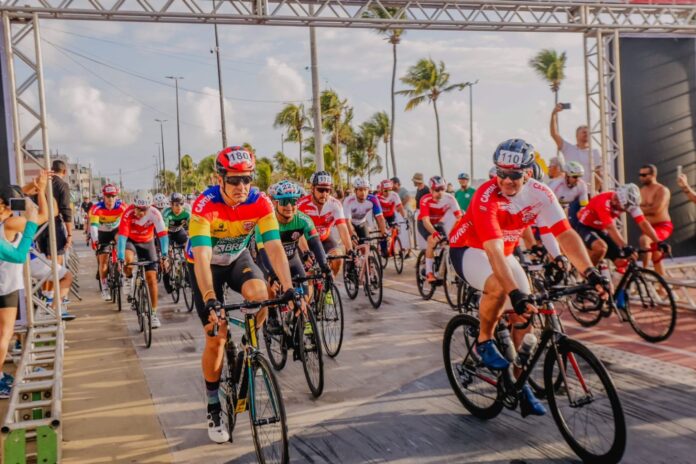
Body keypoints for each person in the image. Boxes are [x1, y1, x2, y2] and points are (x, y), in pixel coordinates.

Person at [448, 138, 610, 417]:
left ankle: (517, 385)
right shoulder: (486, 196)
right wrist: (515, 293)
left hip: (503, 252)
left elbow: (565, 234)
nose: (506, 180)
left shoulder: (540, 193)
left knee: (525, 321)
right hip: (470, 250)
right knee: (501, 287)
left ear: (528, 172)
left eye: (514, 175)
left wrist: (591, 272)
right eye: (501, 173)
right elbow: (493, 252)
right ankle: (484, 340)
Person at [186, 146, 295, 444]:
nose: (241, 186)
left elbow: (274, 247)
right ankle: (213, 406)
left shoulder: (260, 202)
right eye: (234, 180)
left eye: (246, 179)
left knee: (261, 294)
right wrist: (210, 298)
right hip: (205, 265)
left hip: (236, 259)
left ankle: (249, 345)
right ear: (219, 179)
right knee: (217, 336)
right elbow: (202, 256)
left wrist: (288, 287)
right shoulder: (204, 205)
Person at [0, 173, 49, 398]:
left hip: (5, 283)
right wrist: (41, 193)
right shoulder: (10, 223)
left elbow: (13, 194)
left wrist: (33, 186)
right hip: (5, 285)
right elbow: (45, 216)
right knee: (5, 333)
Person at [256, 181, 330, 311]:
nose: (289, 206)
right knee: (271, 286)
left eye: (293, 201)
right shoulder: (265, 221)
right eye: (284, 202)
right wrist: (272, 275)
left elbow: (315, 243)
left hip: (292, 258)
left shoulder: (303, 219)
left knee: (305, 297)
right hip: (269, 260)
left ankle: (298, 321)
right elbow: (263, 252)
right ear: (275, 203)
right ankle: (272, 314)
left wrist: (325, 267)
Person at [571, 183, 666, 266]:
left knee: (623, 261)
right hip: (585, 226)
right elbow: (610, 227)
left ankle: (619, 280)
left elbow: (643, 223)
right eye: (615, 197)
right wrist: (624, 246)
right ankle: (587, 275)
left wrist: (658, 241)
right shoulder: (603, 201)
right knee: (601, 247)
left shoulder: (630, 204)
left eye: (618, 201)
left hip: (601, 228)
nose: (614, 201)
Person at [117, 191, 168, 329]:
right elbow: (122, 237)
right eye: (139, 209)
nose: (141, 212)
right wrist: (120, 258)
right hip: (131, 241)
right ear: (134, 206)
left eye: (145, 209)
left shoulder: (155, 213)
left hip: (147, 242)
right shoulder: (127, 213)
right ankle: (128, 279)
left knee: (152, 278)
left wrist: (164, 255)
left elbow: (163, 235)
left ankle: (153, 313)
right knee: (128, 260)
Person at [297, 171, 354, 276]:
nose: (324, 194)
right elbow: (299, 234)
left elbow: (343, 228)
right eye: (320, 190)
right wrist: (306, 251)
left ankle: (329, 284)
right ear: (312, 188)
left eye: (328, 190)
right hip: (306, 241)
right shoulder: (301, 205)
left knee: (338, 259)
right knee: (309, 273)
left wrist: (350, 249)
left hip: (324, 238)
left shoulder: (335, 204)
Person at [418, 176, 461, 282]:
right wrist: (434, 233)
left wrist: (454, 233)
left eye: (443, 189)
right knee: (432, 241)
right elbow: (426, 221)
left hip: (437, 223)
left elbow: (459, 217)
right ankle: (429, 272)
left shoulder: (450, 199)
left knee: (448, 243)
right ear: (431, 190)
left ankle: (443, 265)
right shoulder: (425, 199)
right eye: (437, 190)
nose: (440, 192)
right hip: (424, 224)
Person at [89, 184, 128, 301]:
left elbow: (127, 224)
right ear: (104, 196)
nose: (110, 199)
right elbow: (94, 226)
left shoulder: (122, 207)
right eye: (108, 196)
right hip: (102, 232)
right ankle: (105, 287)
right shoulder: (97, 208)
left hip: (115, 230)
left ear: (116, 197)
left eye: (113, 196)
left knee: (121, 242)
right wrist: (95, 240)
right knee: (103, 260)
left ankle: (122, 270)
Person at [550, 104, 601, 187]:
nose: (586, 134)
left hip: (588, 191)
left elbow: (598, 173)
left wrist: (595, 190)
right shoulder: (568, 148)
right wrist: (554, 114)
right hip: (570, 190)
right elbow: (554, 134)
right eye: (584, 132)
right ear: (577, 135)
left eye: (588, 132)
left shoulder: (595, 152)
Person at [638, 164, 672, 276]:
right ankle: (663, 284)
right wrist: (644, 209)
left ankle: (644, 272)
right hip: (648, 227)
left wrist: (640, 209)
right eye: (640, 175)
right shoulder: (641, 191)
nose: (641, 177)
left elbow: (656, 210)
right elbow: (634, 209)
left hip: (662, 226)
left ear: (653, 175)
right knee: (656, 257)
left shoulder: (662, 190)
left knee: (644, 240)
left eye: (644, 175)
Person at [343, 177, 387, 242]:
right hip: (350, 224)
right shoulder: (349, 201)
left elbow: (380, 218)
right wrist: (352, 233)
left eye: (365, 190)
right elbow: (347, 221)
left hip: (361, 223)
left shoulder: (373, 199)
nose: (363, 193)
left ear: (368, 190)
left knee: (366, 244)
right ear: (355, 191)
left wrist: (384, 232)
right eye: (360, 190)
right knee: (352, 243)